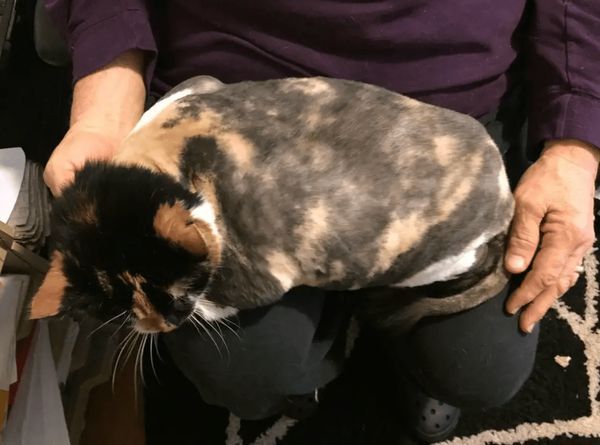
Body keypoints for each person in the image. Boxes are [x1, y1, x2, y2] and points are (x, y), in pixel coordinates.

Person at [41, 1, 599, 442]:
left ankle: (388, 321)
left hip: (442, 117)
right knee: (246, 376)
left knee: (481, 372)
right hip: (229, 97)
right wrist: (103, 114)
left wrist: (574, 148)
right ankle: (316, 356)